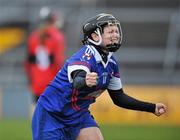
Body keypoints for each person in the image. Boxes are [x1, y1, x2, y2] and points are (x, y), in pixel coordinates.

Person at [32, 13, 167, 140]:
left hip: (78, 114)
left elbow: (119, 98)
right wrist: (85, 80)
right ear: (95, 36)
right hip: (52, 113)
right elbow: (77, 80)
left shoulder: (111, 63)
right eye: (110, 31)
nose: (115, 35)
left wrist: (151, 107)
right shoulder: (85, 55)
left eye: (116, 31)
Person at [25, 7, 65, 103]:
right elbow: (58, 62)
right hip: (52, 83)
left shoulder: (33, 37)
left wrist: (31, 81)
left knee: (37, 114)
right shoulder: (57, 36)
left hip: (37, 83)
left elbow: (28, 63)